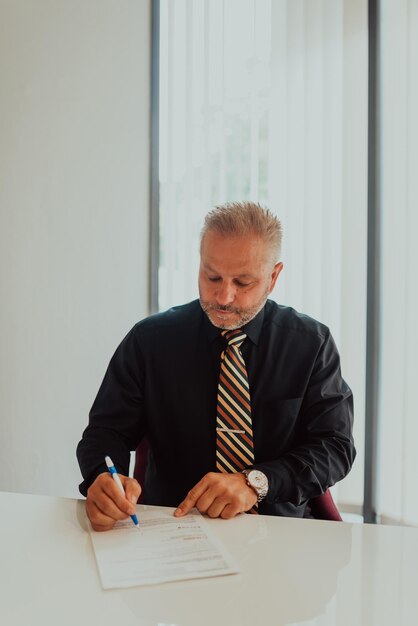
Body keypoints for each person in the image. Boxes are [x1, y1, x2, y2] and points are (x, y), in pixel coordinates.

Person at [77, 201, 355, 531]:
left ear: (273, 276)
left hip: (280, 533)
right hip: (170, 527)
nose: (223, 297)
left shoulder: (310, 344)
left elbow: (335, 447)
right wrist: (102, 478)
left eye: (243, 283)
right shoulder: (150, 341)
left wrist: (255, 483)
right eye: (212, 276)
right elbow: (106, 432)